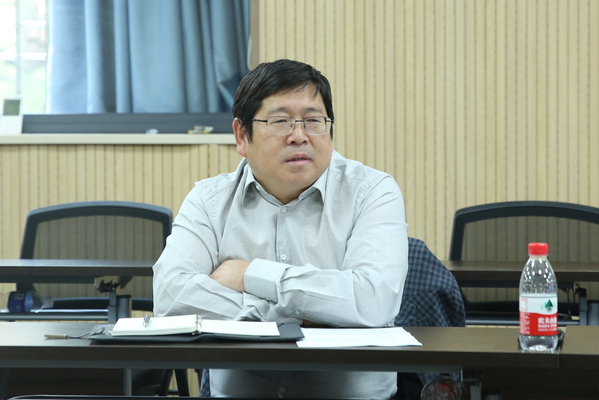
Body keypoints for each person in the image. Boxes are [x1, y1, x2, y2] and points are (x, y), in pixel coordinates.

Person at [153, 59, 409, 398]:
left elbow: (373, 301)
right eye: (280, 122)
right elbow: (171, 297)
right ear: (242, 135)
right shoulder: (209, 200)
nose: (299, 136)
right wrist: (292, 318)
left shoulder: (371, 191)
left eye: (313, 121)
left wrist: (250, 275)